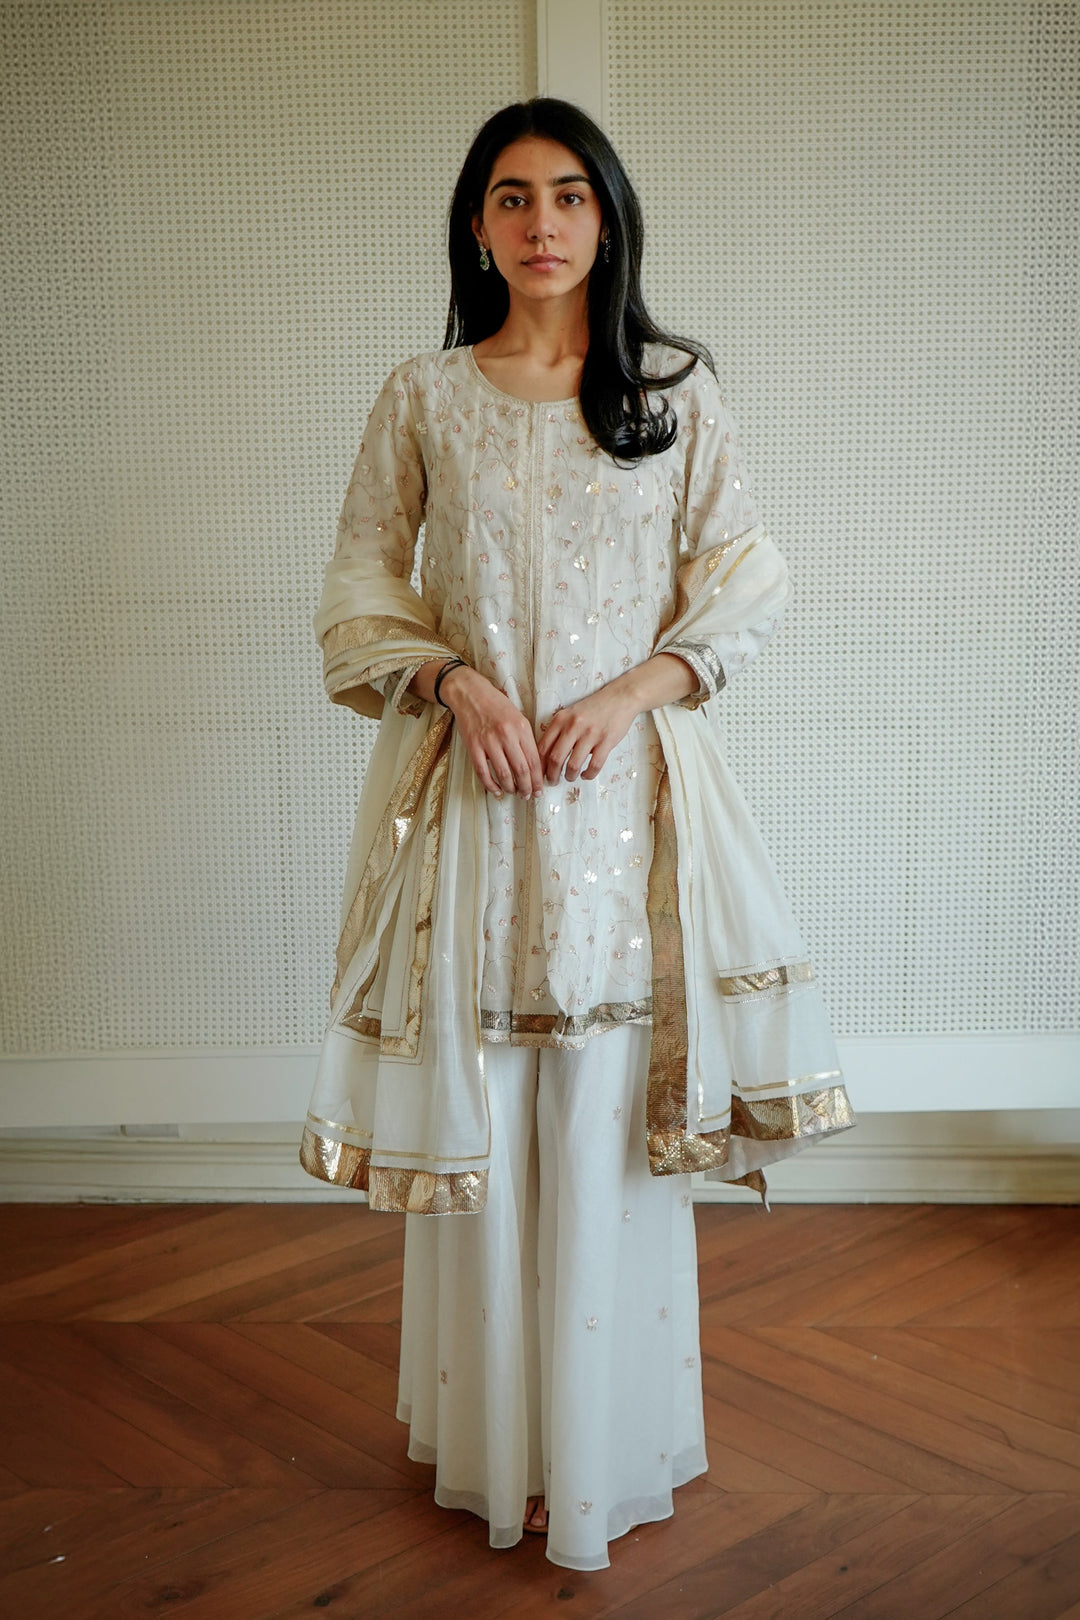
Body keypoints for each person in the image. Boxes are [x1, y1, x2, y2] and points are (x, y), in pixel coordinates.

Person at [299, 97, 856, 1570]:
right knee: (489, 1113)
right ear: (477, 227)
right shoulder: (424, 397)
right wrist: (453, 678)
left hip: (626, 823)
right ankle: (497, 1445)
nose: (539, 221)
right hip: (476, 818)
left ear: (606, 217)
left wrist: (635, 687)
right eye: (509, 198)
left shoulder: (671, 394)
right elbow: (359, 588)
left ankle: (599, 1446)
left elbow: (747, 582)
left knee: (606, 1124)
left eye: (567, 195)